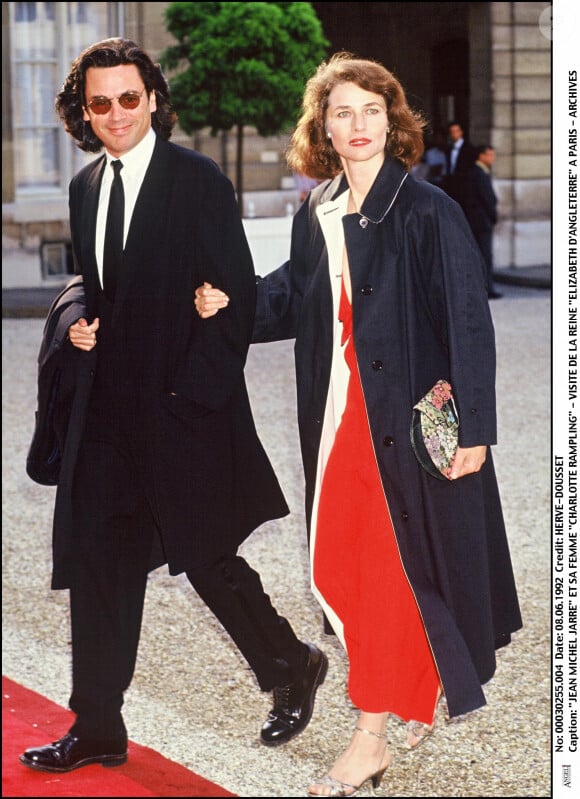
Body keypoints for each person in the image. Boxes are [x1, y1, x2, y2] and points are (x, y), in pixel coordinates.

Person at [196, 51, 522, 796]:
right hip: (338, 420)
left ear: (392, 119)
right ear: (324, 129)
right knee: (344, 567)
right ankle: (411, 684)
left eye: (371, 109)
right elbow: (290, 296)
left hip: (403, 433)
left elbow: (470, 323)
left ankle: (369, 735)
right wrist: (230, 304)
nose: (358, 123)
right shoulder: (318, 209)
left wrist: (475, 430)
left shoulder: (428, 209)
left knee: (391, 568)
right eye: (342, 112)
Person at [19, 37, 327, 775]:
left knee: (207, 558)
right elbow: (94, 291)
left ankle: (290, 662)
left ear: (153, 99)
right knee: (98, 562)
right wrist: (78, 328)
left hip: (182, 407)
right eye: (101, 103)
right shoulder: (85, 187)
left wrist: (196, 395)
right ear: (83, 112)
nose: (117, 113)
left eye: (130, 97)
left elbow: (234, 295)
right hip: (105, 414)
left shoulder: (197, 181)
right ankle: (97, 724)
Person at [462, 144, 502, 299]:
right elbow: (487, 199)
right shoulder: (478, 174)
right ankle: (487, 288)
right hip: (481, 221)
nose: (493, 158)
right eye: (490, 155)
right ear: (482, 156)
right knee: (485, 256)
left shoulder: (477, 173)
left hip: (477, 220)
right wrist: (493, 216)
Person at [443, 119, 476, 207]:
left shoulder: (469, 148)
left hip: (465, 186)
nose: (454, 134)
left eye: (456, 131)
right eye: (451, 132)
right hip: (452, 185)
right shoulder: (449, 148)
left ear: (461, 132)